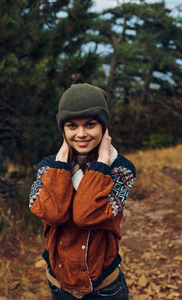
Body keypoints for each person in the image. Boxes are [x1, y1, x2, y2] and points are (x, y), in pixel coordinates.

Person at [28, 83, 136, 299]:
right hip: (60, 286)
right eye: (72, 126)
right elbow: (53, 214)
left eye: (90, 124)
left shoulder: (121, 169)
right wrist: (61, 166)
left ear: (103, 127)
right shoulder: (48, 168)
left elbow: (85, 216)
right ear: (63, 129)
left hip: (105, 288)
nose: (81, 134)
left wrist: (102, 164)